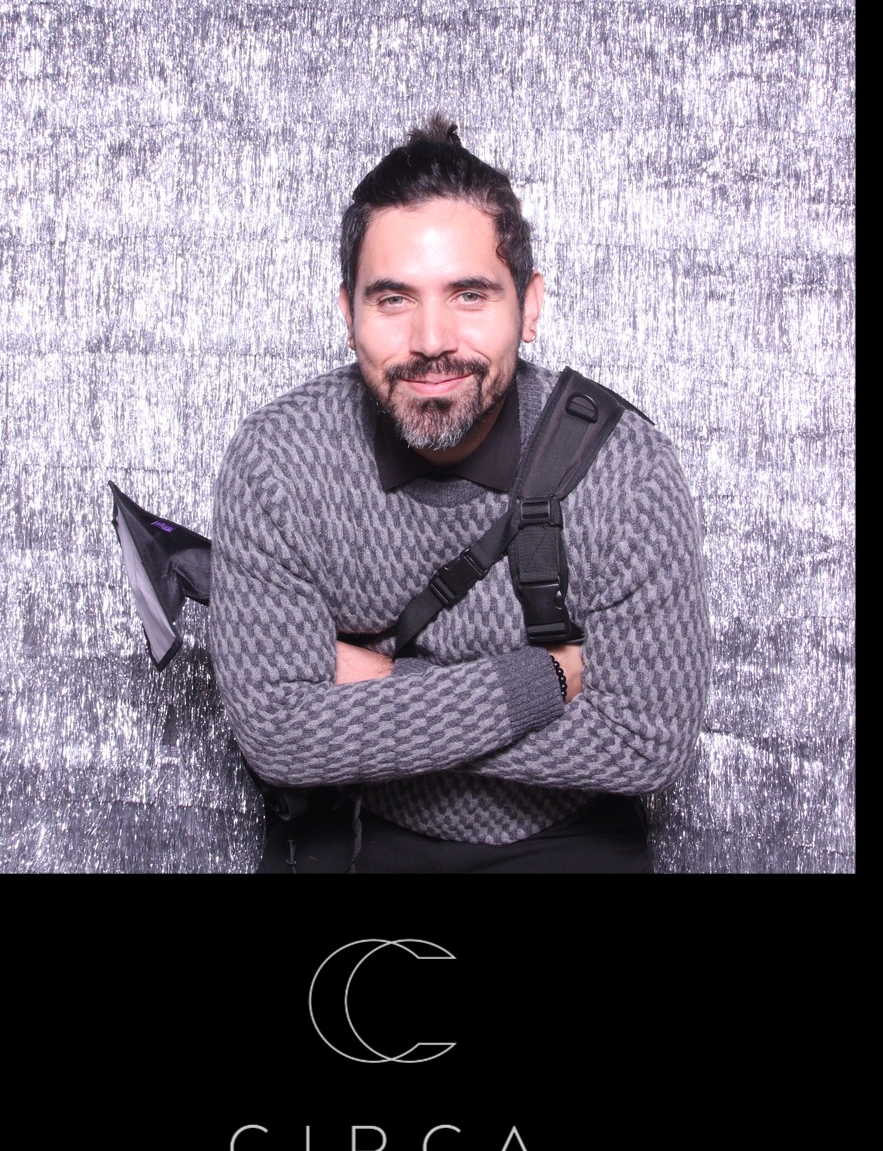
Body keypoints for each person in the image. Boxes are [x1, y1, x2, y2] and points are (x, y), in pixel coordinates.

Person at [209, 115, 711, 873]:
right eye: (393, 299)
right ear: (348, 314)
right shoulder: (278, 462)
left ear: (529, 307)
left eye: (470, 295)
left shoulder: (628, 471)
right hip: (364, 830)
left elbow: (647, 743)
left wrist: (380, 680)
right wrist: (547, 678)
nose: (432, 339)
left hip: (573, 839)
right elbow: (278, 736)